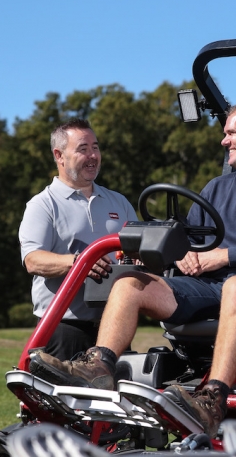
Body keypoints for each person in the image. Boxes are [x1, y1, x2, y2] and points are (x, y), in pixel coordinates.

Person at [29, 103, 236, 438]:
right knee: (129, 284)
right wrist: (181, 255)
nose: (224, 141)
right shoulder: (217, 188)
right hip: (212, 289)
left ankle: (212, 398)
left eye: (230, 133)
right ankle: (99, 367)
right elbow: (192, 241)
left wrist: (223, 257)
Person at [19, 118, 138, 361]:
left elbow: (137, 251)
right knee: (63, 400)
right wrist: (80, 263)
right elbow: (32, 260)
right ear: (59, 155)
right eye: (83, 149)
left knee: (118, 399)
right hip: (63, 330)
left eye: (95, 147)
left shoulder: (119, 202)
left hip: (115, 329)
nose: (93, 155)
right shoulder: (43, 204)